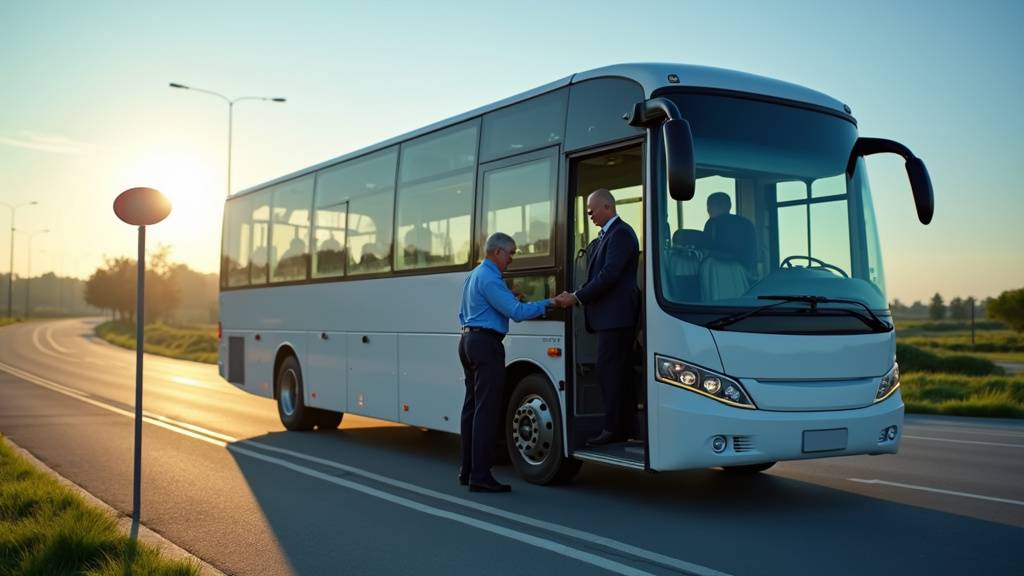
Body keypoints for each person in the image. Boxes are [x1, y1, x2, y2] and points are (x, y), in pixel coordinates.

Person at [458, 232, 572, 493]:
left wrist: (507, 295)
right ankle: (481, 476)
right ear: (497, 252)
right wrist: (552, 302)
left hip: (467, 341)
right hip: (486, 345)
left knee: (472, 409)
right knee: (487, 411)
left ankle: (467, 470)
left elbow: (466, 312)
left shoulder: (475, 275)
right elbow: (517, 313)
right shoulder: (490, 278)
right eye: (510, 253)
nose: (511, 259)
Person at [564, 189, 640, 446]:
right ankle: (624, 426)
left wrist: (577, 296)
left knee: (610, 372)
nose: (589, 215)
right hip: (610, 317)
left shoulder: (621, 234)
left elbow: (609, 275)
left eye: (591, 210)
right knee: (617, 372)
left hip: (616, 317)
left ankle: (613, 428)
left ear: (607, 207)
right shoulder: (607, 236)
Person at [703, 192, 756, 272]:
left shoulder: (713, 223)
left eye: (709, 206)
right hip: (746, 271)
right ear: (729, 206)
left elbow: (707, 248)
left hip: (720, 271)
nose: (708, 210)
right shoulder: (746, 223)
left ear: (711, 207)